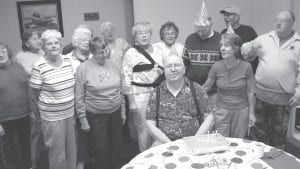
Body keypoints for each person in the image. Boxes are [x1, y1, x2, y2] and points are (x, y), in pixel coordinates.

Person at [241, 11, 300, 149]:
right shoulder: (264, 38)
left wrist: (298, 93)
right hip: (261, 96)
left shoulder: (298, 43)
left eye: (283, 20)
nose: (279, 22)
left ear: (292, 23)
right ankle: (258, 161)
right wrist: (248, 48)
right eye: (277, 19)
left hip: (283, 99)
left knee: (278, 135)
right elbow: (246, 56)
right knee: (259, 133)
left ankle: (276, 162)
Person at [30, 29, 76, 169]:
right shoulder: (39, 65)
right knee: (57, 153)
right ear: (44, 47)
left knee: (71, 151)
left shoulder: (69, 61)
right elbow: (32, 95)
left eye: (56, 43)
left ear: (60, 45)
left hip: (69, 114)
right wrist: (38, 117)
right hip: (51, 117)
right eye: (49, 44)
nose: (54, 46)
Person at [75, 37, 123, 169]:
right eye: (99, 52)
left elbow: (120, 89)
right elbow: (79, 96)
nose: (104, 55)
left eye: (105, 51)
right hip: (95, 115)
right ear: (92, 52)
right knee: (101, 148)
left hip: (115, 112)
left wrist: (122, 112)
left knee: (116, 145)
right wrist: (83, 119)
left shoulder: (113, 65)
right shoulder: (83, 68)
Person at [146, 54, 214, 146]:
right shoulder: (156, 93)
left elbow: (209, 117)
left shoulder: (197, 89)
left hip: (195, 140)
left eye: (177, 65)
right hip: (164, 142)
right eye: (169, 66)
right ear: (164, 71)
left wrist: (195, 141)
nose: (173, 69)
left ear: (184, 69)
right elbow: (150, 123)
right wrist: (169, 144)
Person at [203, 32, 256, 138]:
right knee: (222, 142)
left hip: (241, 112)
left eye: (226, 46)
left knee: (238, 143)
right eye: (221, 45)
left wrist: (251, 113)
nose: (222, 49)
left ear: (236, 48)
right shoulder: (216, 66)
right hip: (221, 111)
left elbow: (251, 92)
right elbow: (205, 88)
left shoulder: (247, 67)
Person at [122, 22, 164, 151]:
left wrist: (158, 72)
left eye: (147, 33)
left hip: (157, 93)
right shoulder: (131, 53)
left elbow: (163, 68)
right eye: (140, 33)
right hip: (139, 95)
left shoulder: (158, 50)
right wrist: (132, 102)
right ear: (135, 36)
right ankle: (145, 156)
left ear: (151, 34)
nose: (144, 36)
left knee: (159, 126)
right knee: (144, 129)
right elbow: (126, 78)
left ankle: (157, 155)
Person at [15, 30, 46, 169]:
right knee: (35, 131)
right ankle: (33, 163)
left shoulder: (42, 53)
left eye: (38, 38)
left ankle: (46, 160)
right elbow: (25, 77)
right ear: (27, 43)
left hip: (45, 95)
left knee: (46, 130)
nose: (38, 41)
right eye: (34, 39)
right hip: (32, 96)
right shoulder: (21, 56)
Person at [64, 25, 93, 169]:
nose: (87, 42)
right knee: (79, 133)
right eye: (83, 39)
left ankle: (93, 157)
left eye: (89, 39)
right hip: (75, 102)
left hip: (95, 102)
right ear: (74, 42)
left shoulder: (95, 57)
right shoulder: (65, 60)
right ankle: (80, 160)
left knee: (94, 131)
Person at [0, 42, 32, 169]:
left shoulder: (18, 67)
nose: (0, 53)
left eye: (2, 50)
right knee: (8, 150)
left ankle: (29, 166)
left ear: (8, 51)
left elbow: (27, 88)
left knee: (26, 145)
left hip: (24, 115)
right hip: (4, 119)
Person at [183, 8, 221, 102]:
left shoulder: (220, 39)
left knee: (213, 115)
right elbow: (184, 62)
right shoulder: (190, 38)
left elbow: (224, 65)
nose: (200, 33)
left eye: (203, 30)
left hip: (214, 90)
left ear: (211, 25)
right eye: (197, 30)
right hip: (192, 88)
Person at [220, 5, 259, 73]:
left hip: (246, 72)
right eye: (224, 15)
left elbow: (257, 52)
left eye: (228, 15)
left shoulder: (249, 30)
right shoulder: (224, 32)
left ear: (237, 17)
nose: (225, 18)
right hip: (229, 72)